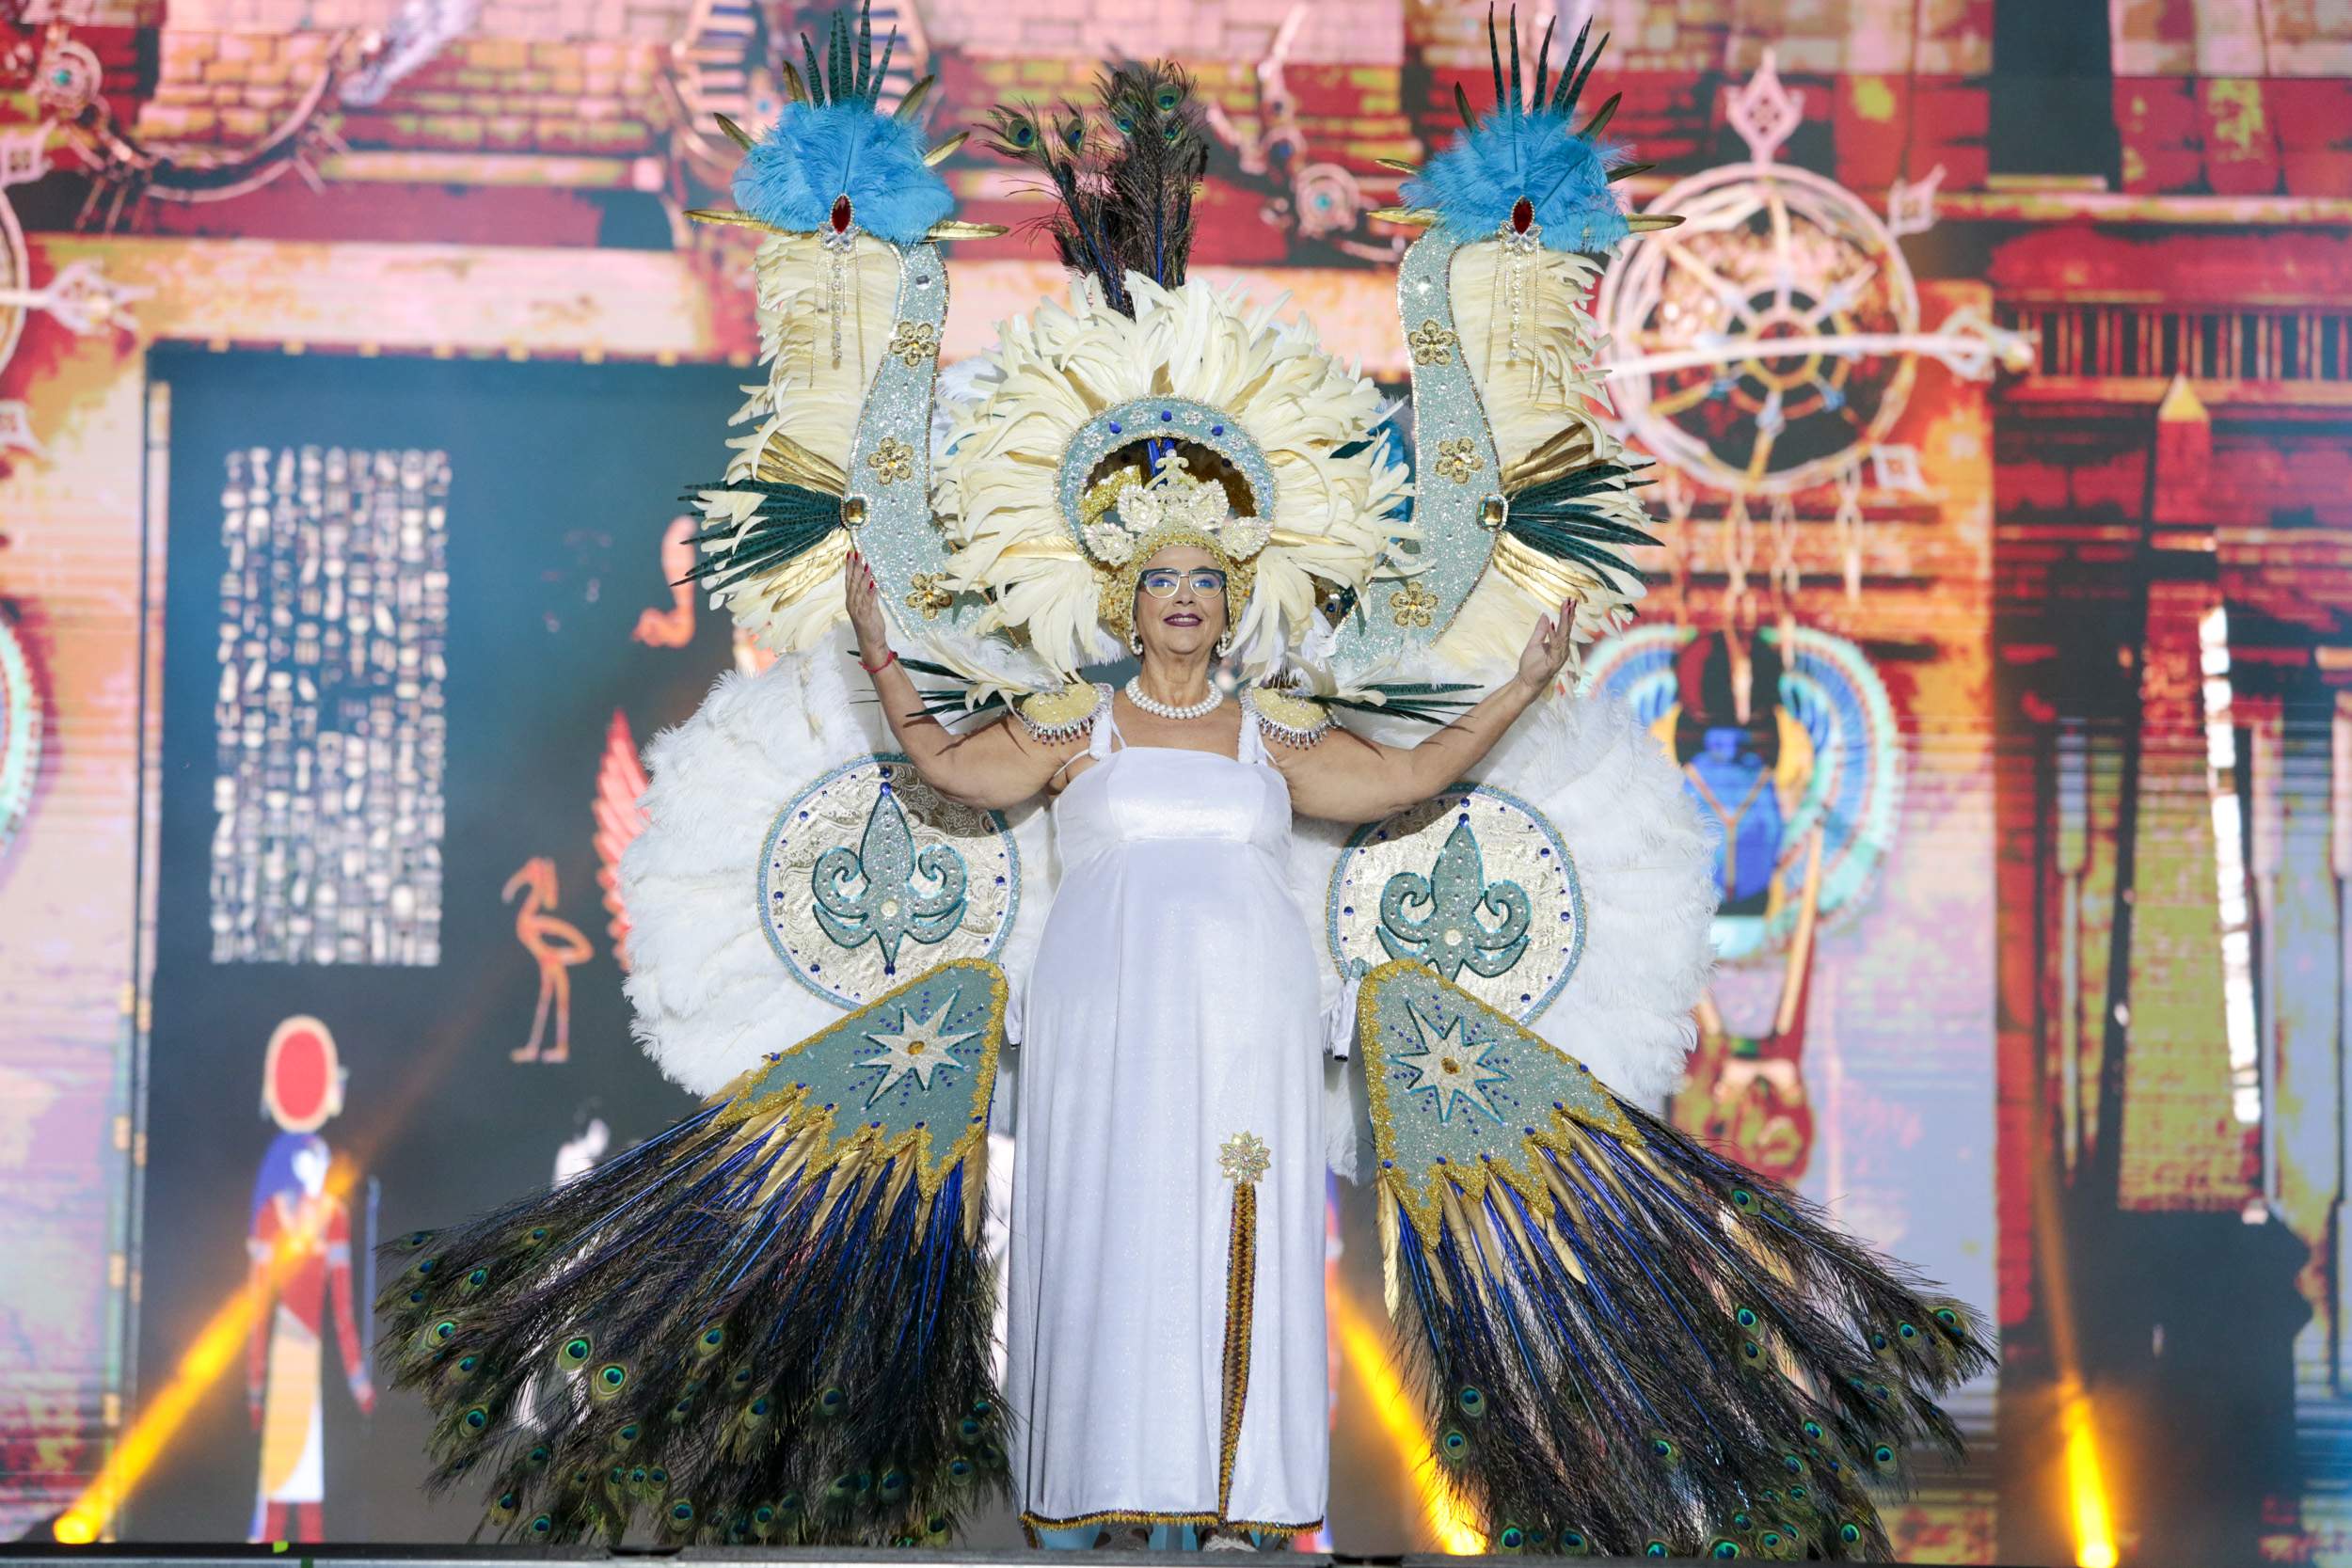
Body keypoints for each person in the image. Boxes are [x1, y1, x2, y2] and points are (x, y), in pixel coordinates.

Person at [843, 531, 1578, 1545]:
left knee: (1235, 1228)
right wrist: (877, 646)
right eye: (1158, 580)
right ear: (1125, 603)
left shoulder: (1266, 736)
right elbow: (946, 765)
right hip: (1104, 1027)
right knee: (1113, 1230)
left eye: (1203, 581)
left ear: (1230, 606)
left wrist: (1523, 683)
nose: (1181, 598)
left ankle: (1235, 1505)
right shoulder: (1078, 726)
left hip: (1245, 1021)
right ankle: (1095, 1489)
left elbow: (1410, 774)